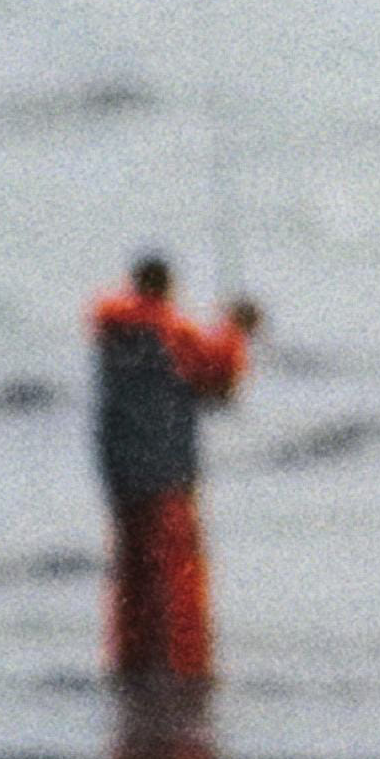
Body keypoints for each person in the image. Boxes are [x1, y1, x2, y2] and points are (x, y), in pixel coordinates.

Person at [90, 251, 258, 692]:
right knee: (178, 577)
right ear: (166, 287)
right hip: (165, 472)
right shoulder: (168, 331)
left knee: (132, 577)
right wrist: (237, 328)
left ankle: (132, 664)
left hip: (121, 470)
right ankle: (184, 670)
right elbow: (218, 374)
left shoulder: (111, 334)